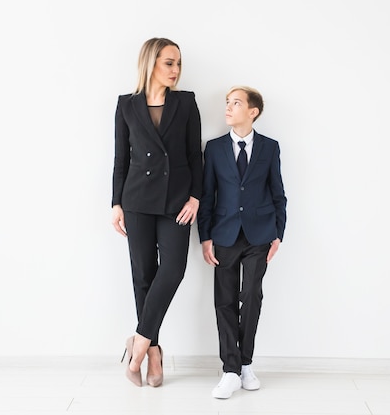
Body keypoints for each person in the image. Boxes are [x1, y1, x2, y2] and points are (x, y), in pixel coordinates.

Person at [112, 37, 202, 387]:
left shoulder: (186, 102)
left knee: (173, 270)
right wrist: (116, 203)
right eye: (169, 62)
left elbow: (195, 155)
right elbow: (121, 158)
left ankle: (138, 343)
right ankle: (153, 352)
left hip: (177, 201)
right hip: (137, 202)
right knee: (144, 276)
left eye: (178, 63)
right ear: (150, 62)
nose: (176, 70)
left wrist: (195, 197)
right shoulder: (126, 105)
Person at [198, 86, 287, 399]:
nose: (228, 107)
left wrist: (279, 233)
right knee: (223, 300)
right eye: (226, 102)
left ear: (253, 111)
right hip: (223, 234)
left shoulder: (269, 148)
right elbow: (207, 195)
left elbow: (278, 193)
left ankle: (245, 362)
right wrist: (205, 237)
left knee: (251, 295)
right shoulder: (214, 148)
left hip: (259, 234)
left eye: (236, 103)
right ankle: (231, 369)